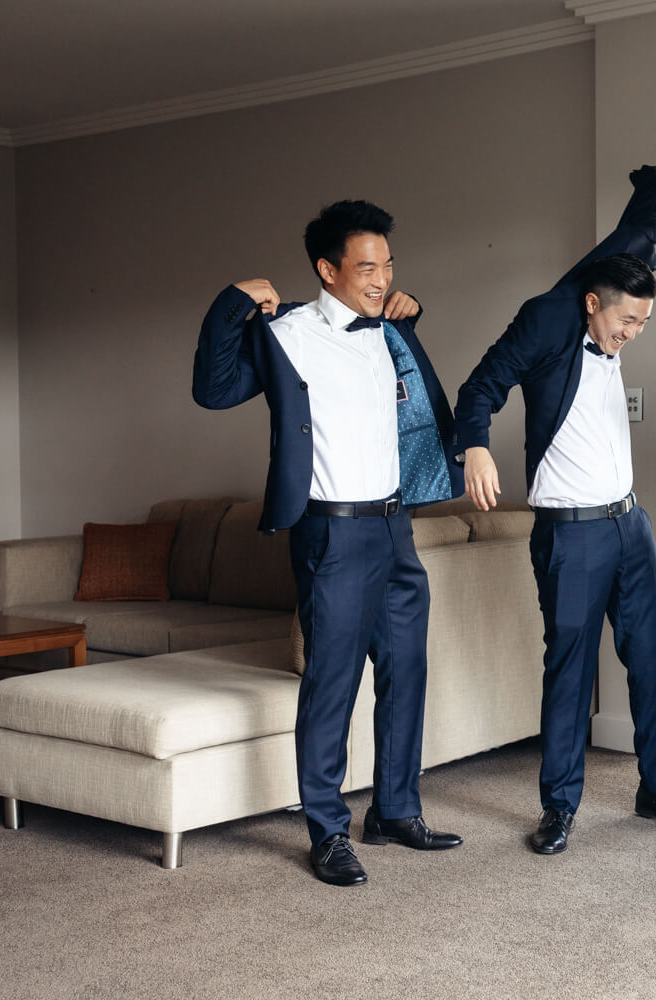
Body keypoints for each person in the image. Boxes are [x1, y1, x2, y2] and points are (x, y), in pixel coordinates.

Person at [193, 200, 465, 886]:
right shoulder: (286, 332)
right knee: (332, 681)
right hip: (332, 531)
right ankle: (328, 832)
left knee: (407, 670)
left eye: (388, 264)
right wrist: (231, 304)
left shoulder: (388, 330)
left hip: (395, 526)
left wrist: (408, 317)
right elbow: (213, 389)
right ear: (327, 268)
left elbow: (417, 403)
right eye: (367, 267)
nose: (382, 277)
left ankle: (396, 811)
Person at [454, 165, 656, 855]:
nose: (635, 332)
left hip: (630, 525)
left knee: (650, 660)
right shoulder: (546, 319)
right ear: (591, 303)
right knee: (570, 668)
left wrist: (653, 189)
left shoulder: (617, 283)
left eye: (644, 322)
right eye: (627, 321)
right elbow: (480, 386)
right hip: (571, 535)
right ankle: (559, 806)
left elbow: (636, 235)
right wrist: (475, 448)